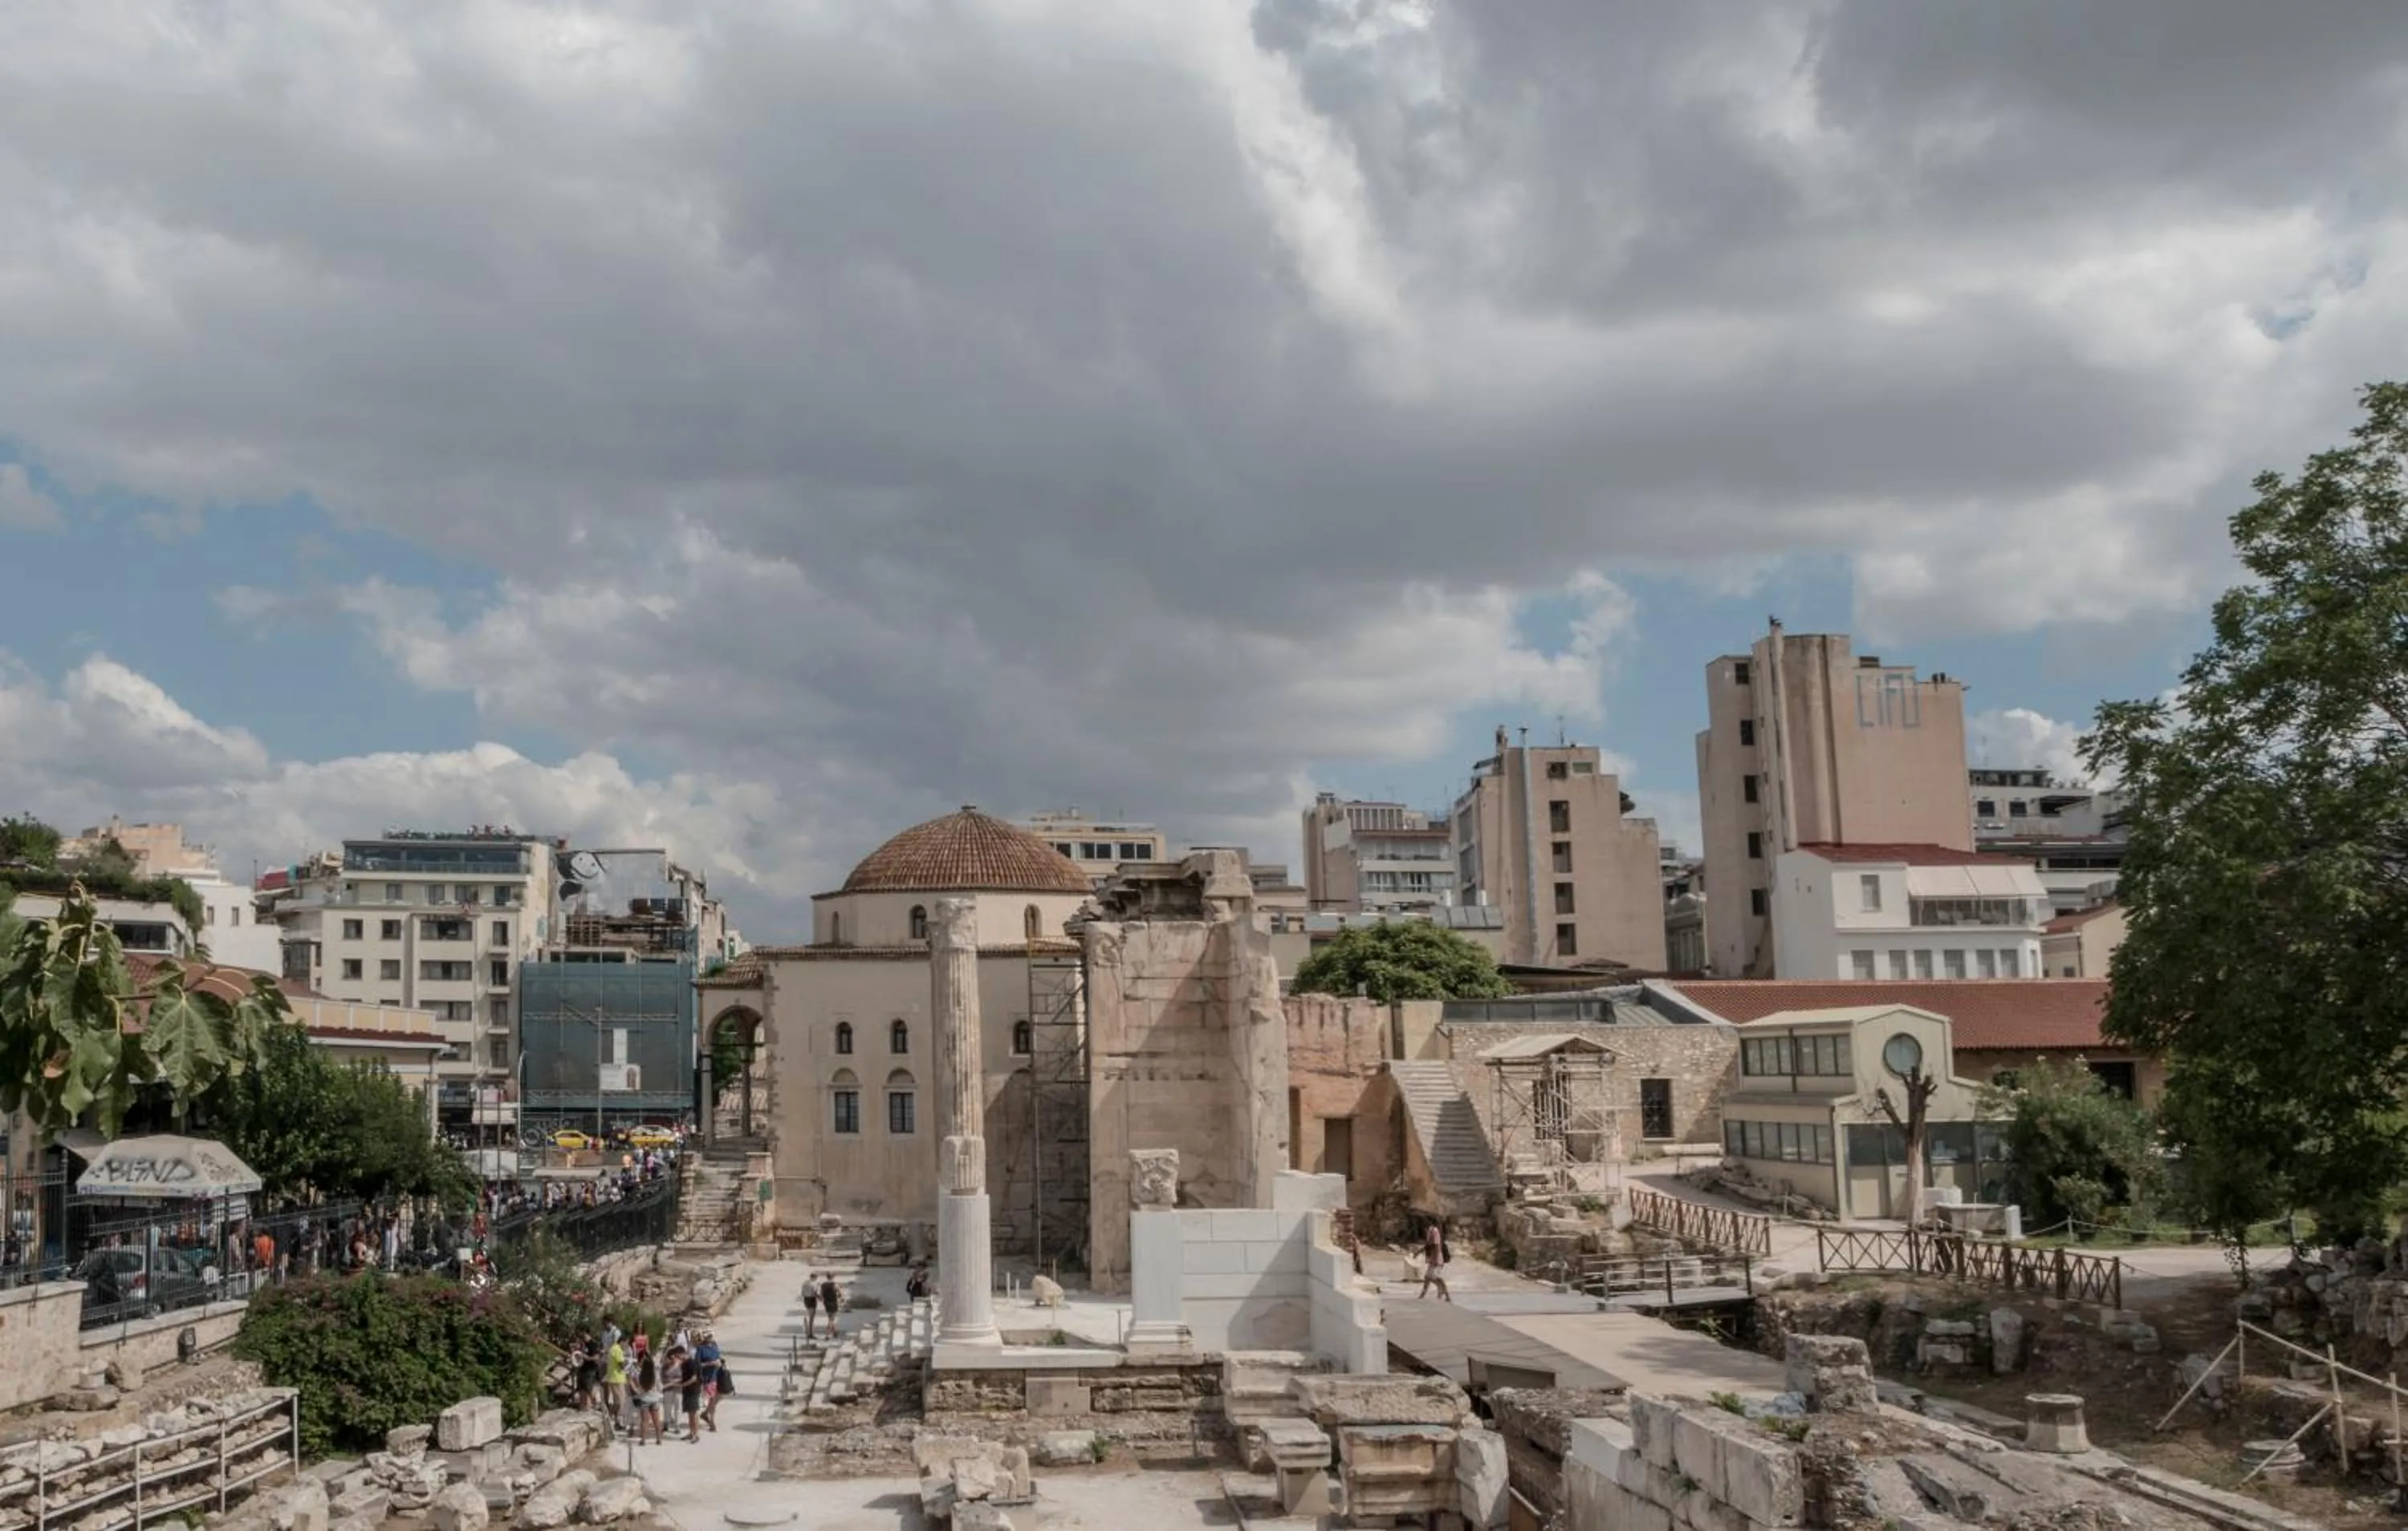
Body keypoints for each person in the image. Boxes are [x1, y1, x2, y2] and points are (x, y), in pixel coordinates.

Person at [632, 1338, 662, 1446]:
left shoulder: (639, 1374)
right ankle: (659, 1439)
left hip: (644, 1398)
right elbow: (659, 1386)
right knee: (656, 1421)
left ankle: (643, 1440)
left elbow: (635, 1384)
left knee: (644, 1421)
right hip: (654, 1398)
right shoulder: (655, 1374)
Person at [694, 1330, 723, 1433]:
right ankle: (712, 1422)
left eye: (711, 1336)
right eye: (709, 1336)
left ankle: (706, 1414)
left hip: (717, 1376)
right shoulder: (701, 1349)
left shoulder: (715, 1346)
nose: (711, 1338)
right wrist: (710, 1363)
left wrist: (720, 1362)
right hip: (707, 1378)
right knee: (712, 1400)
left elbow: (719, 1358)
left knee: (718, 1398)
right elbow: (697, 1365)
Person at [673, 1343, 704, 1444]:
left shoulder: (691, 1363)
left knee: (694, 1413)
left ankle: (696, 1434)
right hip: (687, 1391)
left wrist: (683, 1385)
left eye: (678, 1356)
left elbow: (694, 1378)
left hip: (693, 1390)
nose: (677, 1358)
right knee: (690, 1413)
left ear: (682, 1353)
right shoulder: (684, 1364)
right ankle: (691, 1432)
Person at [1417, 1222, 1451, 1302]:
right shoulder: (1430, 1232)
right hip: (1433, 1259)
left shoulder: (1434, 1231)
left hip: (1436, 1259)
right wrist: (1418, 1252)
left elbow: (1436, 1246)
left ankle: (1443, 1291)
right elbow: (1428, 1245)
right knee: (1428, 1278)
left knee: (1432, 1277)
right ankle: (1423, 1295)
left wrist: (1435, 1259)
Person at [603, 1330, 628, 1426]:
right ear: (622, 1341)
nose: (626, 1346)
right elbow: (622, 1365)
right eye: (626, 1343)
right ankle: (614, 1419)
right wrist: (627, 1362)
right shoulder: (617, 1350)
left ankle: (614, 1419)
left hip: (614, 1378)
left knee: (617, 1402)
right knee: (621, 1402)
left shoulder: (613, 1348)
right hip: (617, 1379)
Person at [819, 1273, 842, 1337]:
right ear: (833, 1277)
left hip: (826, 1303)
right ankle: (827, 1334)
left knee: (830, 1317)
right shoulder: (835, 1285)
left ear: (827, 1277)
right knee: (831, 1319)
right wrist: (840, 1298)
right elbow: (840, 1294)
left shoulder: (823, 1285)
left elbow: (821, 1295)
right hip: (833, 1302)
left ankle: (835, 1333)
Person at [803, 1271, 822, 1338]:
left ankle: (809, 1332)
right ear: (814, 1277)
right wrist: (821, 1299)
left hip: (806, 1299)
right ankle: (810, 1333)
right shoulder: (814, 1284)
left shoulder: (805, 1283)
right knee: (811, 1318)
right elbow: (815, 1293)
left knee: (810, 1316)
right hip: (812, 1300)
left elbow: (802, 1293)